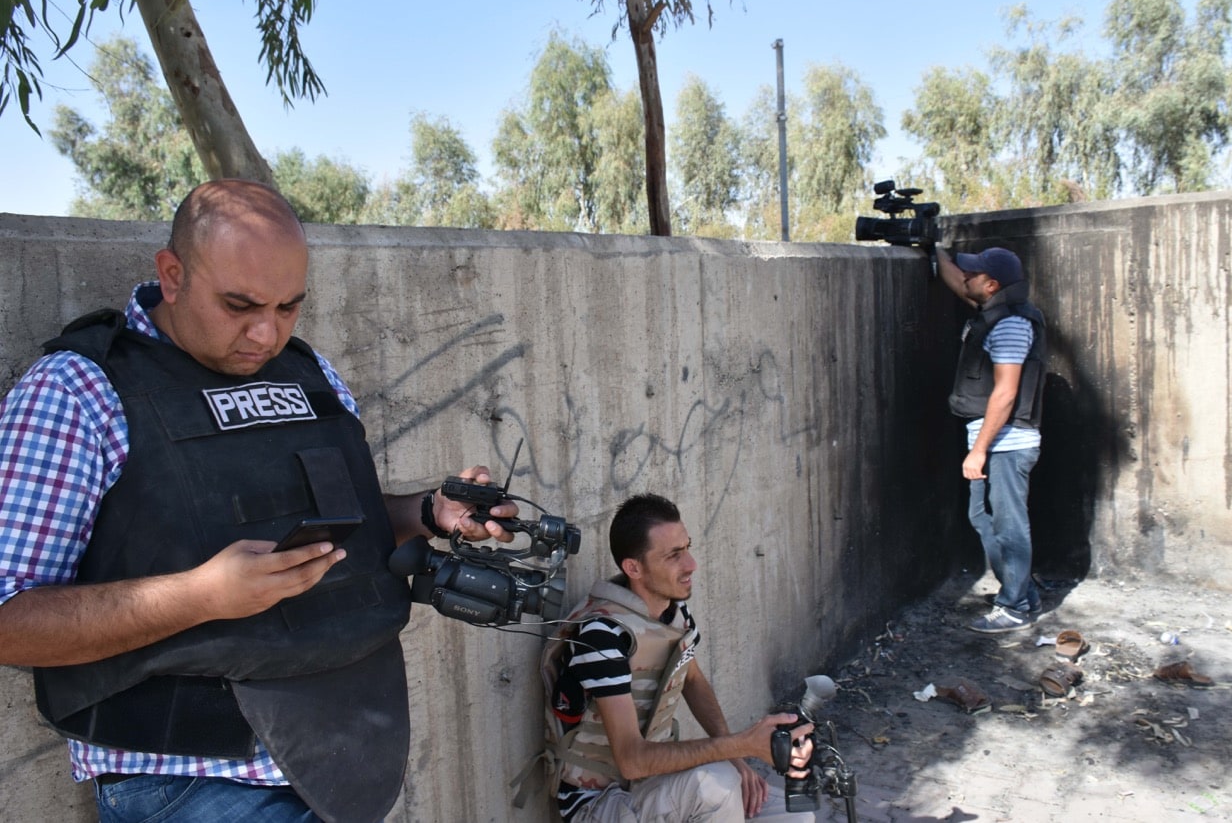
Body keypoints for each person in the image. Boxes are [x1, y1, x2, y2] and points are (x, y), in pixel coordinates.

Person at [0, 179, 516, 823]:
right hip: (195, 782)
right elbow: (8, 617)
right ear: (172, 274)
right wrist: (201, 595)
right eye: (239, 305)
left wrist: (427, 513)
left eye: (288, 307)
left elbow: (332, 533)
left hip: (340, 758)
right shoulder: (79, 391)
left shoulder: (310, 374)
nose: (265, 333)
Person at [541, 493, 815, 821]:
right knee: (715, 785)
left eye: (687, 548)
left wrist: (738, 760)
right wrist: (742, 745)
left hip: (651, 787)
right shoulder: (602, 634)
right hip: (599, 802)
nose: (691, 564)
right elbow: (631, 760)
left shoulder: (674, 614)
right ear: (634, 568)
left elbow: (693, 680)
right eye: (674, 555)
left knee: (791, 814)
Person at [936, 246, 1047, 634]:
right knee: (983, 518)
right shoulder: (994, 310)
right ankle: (1022, 593)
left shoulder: (1011, 324)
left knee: (1009, 525)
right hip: (993, 440)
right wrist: (933, 248)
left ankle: (1015, 606)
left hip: (1007, 442)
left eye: (973, 274)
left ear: (992, 284)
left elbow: (1005, 393)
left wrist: (979, 451)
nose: (965, 278)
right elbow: (958, 282)